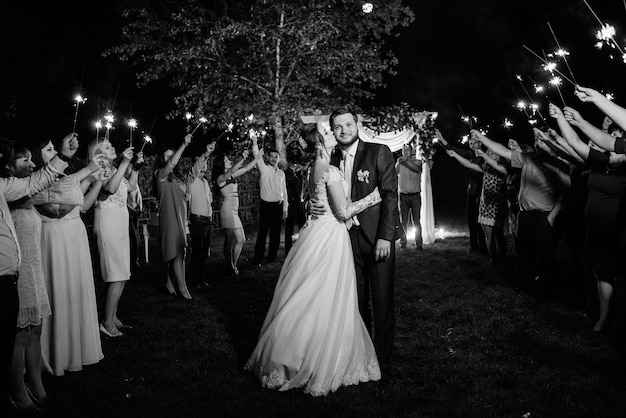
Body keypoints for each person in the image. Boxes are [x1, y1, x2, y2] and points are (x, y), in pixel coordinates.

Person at [245, 122, 382, 396]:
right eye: (328, 135)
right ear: (320, 143)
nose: (334, 137)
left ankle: (293, 351)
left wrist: (309, 205)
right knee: (325, 295)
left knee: (309, 294)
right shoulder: (329, 170)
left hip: (315, 234)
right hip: (329, 239)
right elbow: (342, 212)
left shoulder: (312, 169)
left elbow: (317, 199)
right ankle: (315, 357)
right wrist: (373, 198)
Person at [314, 107, 403, 384]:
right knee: (356, 301)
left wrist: (386, 236)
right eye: (337, 127)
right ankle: (361, 355)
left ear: (358, 123)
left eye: (348, 124)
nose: (343, 130)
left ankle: (383, 359)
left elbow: (389, 195)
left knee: (382, 301)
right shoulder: (331, 158)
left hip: (377, 238)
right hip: (345, 241)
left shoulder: (378, 152)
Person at [0, 137, 72, 412]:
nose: (31, 164)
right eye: (24, 160)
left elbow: (43, 191)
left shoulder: (15, 191)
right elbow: (33, 189)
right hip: (13, 274)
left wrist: (62, 157)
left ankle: (35, 383)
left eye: (32, 159)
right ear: (8, 166)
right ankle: (16, 392)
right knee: (18, 334)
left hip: (28, 269)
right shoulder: (14, 196)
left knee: (34, 329)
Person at [30, 135, 108, 376]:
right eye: (49, 150)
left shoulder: (64, 178)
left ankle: (79, 349)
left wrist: (94, 179)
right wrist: (89, 170)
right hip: (54, 238)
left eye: (55, 149)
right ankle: (57, 353)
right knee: (59, 290)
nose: (55, 153)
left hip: (75, 235)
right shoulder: (36, 183)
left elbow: (80, 205)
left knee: (76, 290)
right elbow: (59, 211)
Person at [472, 128, 564, 300]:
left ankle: (546, 292)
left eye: (542, 139)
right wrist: (482, 137)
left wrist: (551, 217)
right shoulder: (528, 159)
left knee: (546, 257)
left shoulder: (558, 164)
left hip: (544, 217)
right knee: (524, 255)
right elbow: (504, 151)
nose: (538, 142)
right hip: (525, 215)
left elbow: (565, 194)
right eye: (537, 139)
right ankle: (525, 286)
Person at [88, 138, 139, 337]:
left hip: (120, 222)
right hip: (107, 222)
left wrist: (135, 167)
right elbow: (109, 189)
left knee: (122, 272)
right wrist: (125, 163)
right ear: (98, 153)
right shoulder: (97, 171)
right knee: (116, 272)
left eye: (111, 144)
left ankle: (114, 317)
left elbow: (131, 187)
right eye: (107, 146)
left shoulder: (115, 167)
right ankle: (106, 322)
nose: (112, 147)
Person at [153, 134, 204, 300]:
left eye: (171, 155)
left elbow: (191, 178)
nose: (170, 159)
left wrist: (206, 155)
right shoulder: (159, 174)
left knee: (178, 250)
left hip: (180, 217)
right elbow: (172, 164)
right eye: (167, 156)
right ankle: (183, 288)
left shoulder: (176, 177)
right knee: (178, 252)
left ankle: (169, 282)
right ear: (162, 159)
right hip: (169, 216)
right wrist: (183, 144)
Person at [447, 146, 508, 264]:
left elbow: (498, 168)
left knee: (498, 234)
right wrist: (455, 155)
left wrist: (485, 156)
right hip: (485, 206)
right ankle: (493, 259)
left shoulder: (502, 169)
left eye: (493, 153)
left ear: (499, 156)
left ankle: (503, 259)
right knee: (488, 235)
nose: (489, 154)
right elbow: (469, 164)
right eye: (488, 152)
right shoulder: (486, 168)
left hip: (497, 206)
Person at [436, 130, 487, 255]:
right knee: (471, 221)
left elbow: (477, 170)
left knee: (480, 222)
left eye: (475, 143)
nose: (473, 145)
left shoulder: (485, 157)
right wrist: (442, 139)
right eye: (471, 143)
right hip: (471, 192)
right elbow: (454, 150)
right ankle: (474, 246)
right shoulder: (470, 154)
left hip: (481, 193)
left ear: (480, 143)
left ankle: (484, 248)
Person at [212, 148, 261, 276]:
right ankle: (230, 266)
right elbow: (232, 170)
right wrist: (242, 158)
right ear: (221, 165)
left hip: (234, 210)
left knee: (241, 239)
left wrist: (257, 158)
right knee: (229, 239)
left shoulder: (230, 175)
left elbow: (245, 169)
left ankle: (233, 263)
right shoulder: (220, 178)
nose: (229, 161)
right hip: (227, 210)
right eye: (226, 160)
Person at [251, 139, 288, 265]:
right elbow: (257, 156)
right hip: (266, 206)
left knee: (276, 234)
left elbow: (284, 191)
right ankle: (258, 259)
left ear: (278, 158)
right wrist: (255, 143)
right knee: (263, 233)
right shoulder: (264, 169)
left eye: (276, 157)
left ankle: (272, 257)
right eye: (271, 156)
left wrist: (285, 208)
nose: (273, 159)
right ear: (267, 157)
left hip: (278, 206)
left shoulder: (282, 173)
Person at [187, 143, 216, 286]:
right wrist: (206, 153)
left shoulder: (205, 181)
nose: (204, 164)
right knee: (197, 251)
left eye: (205, 162)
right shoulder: (191, 180)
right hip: (197, 220)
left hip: (207, 220)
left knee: (204, 252)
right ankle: (193, 280)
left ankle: (200, 277)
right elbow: (195, 169)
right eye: (201, 162)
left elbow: (208, 201)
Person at [396, 143, 423, 250]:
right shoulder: (400, 163)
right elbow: (394, 173)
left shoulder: (417, 161)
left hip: (415, 196)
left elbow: (416, 169)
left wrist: (405, 162)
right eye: (403, 150)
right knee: (404, 221)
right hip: (403, 196)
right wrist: (398, 164)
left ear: (412, 151)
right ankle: (403, 243)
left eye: (407, 150)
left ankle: (419, 244)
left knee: (416, 221)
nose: (405, 152)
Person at [284, 143, 307, 254]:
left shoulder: (301, 173)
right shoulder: (285, 174)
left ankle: (303, 247)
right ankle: (288, 250)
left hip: (300, 203)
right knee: (289, 228)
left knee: (303, 226)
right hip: (290, 203)